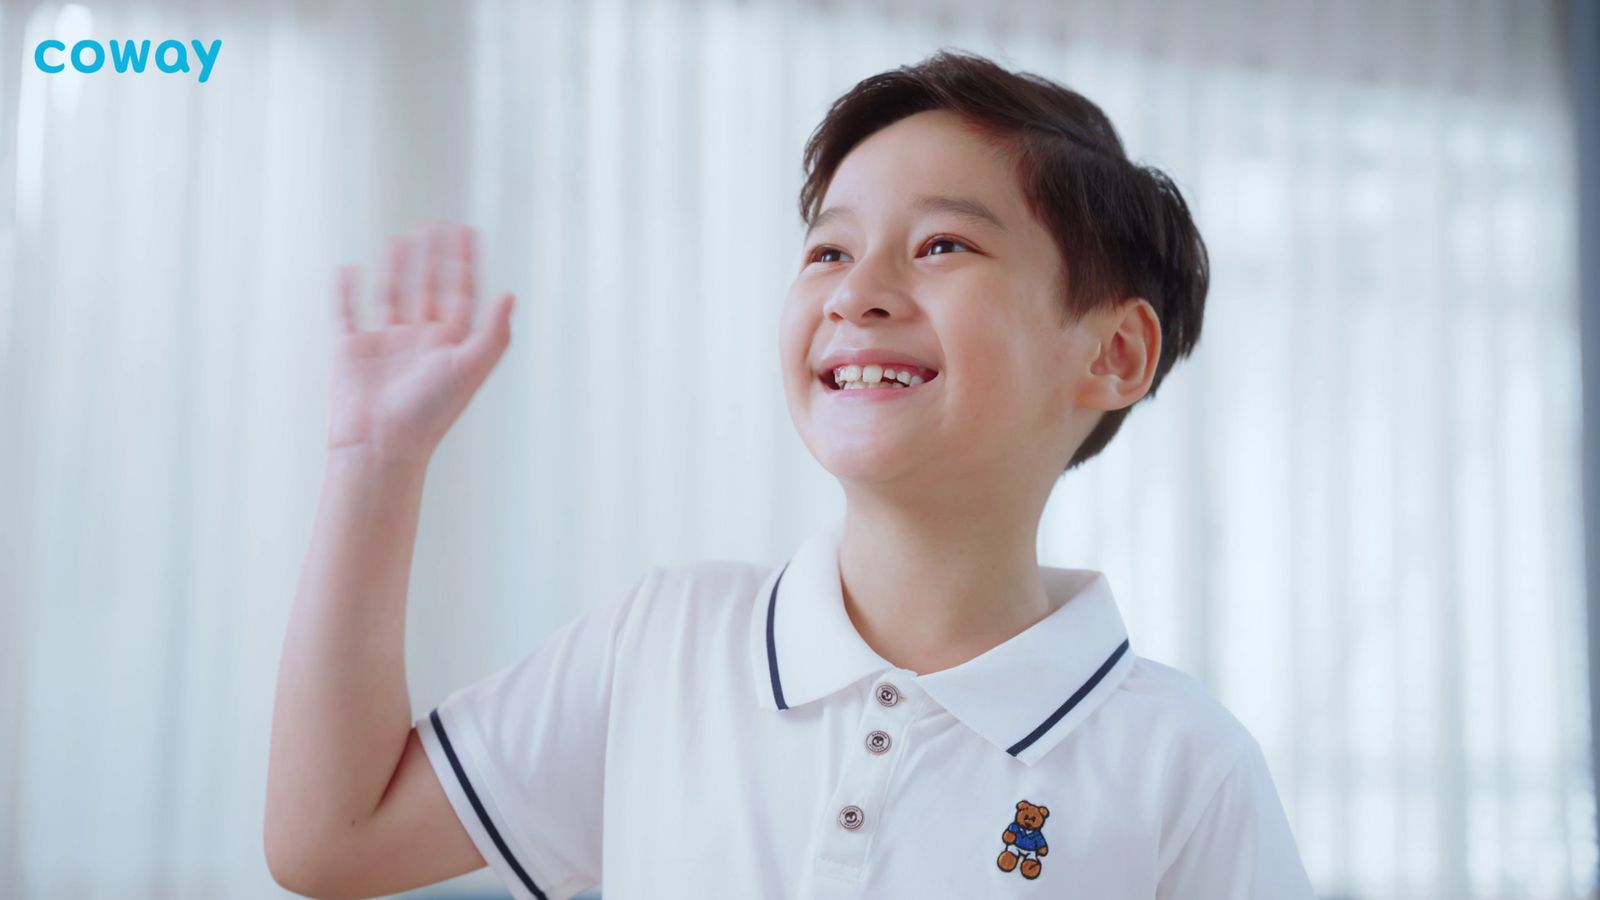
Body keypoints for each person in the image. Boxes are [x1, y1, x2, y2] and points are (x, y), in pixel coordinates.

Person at [265, 48, 1315, 900]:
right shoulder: (662, 646)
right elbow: (333, 842)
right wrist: (376, 462)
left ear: (1110, 355)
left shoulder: (1184, 770)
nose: (859, 291)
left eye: (943, 246)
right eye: (827, 252)